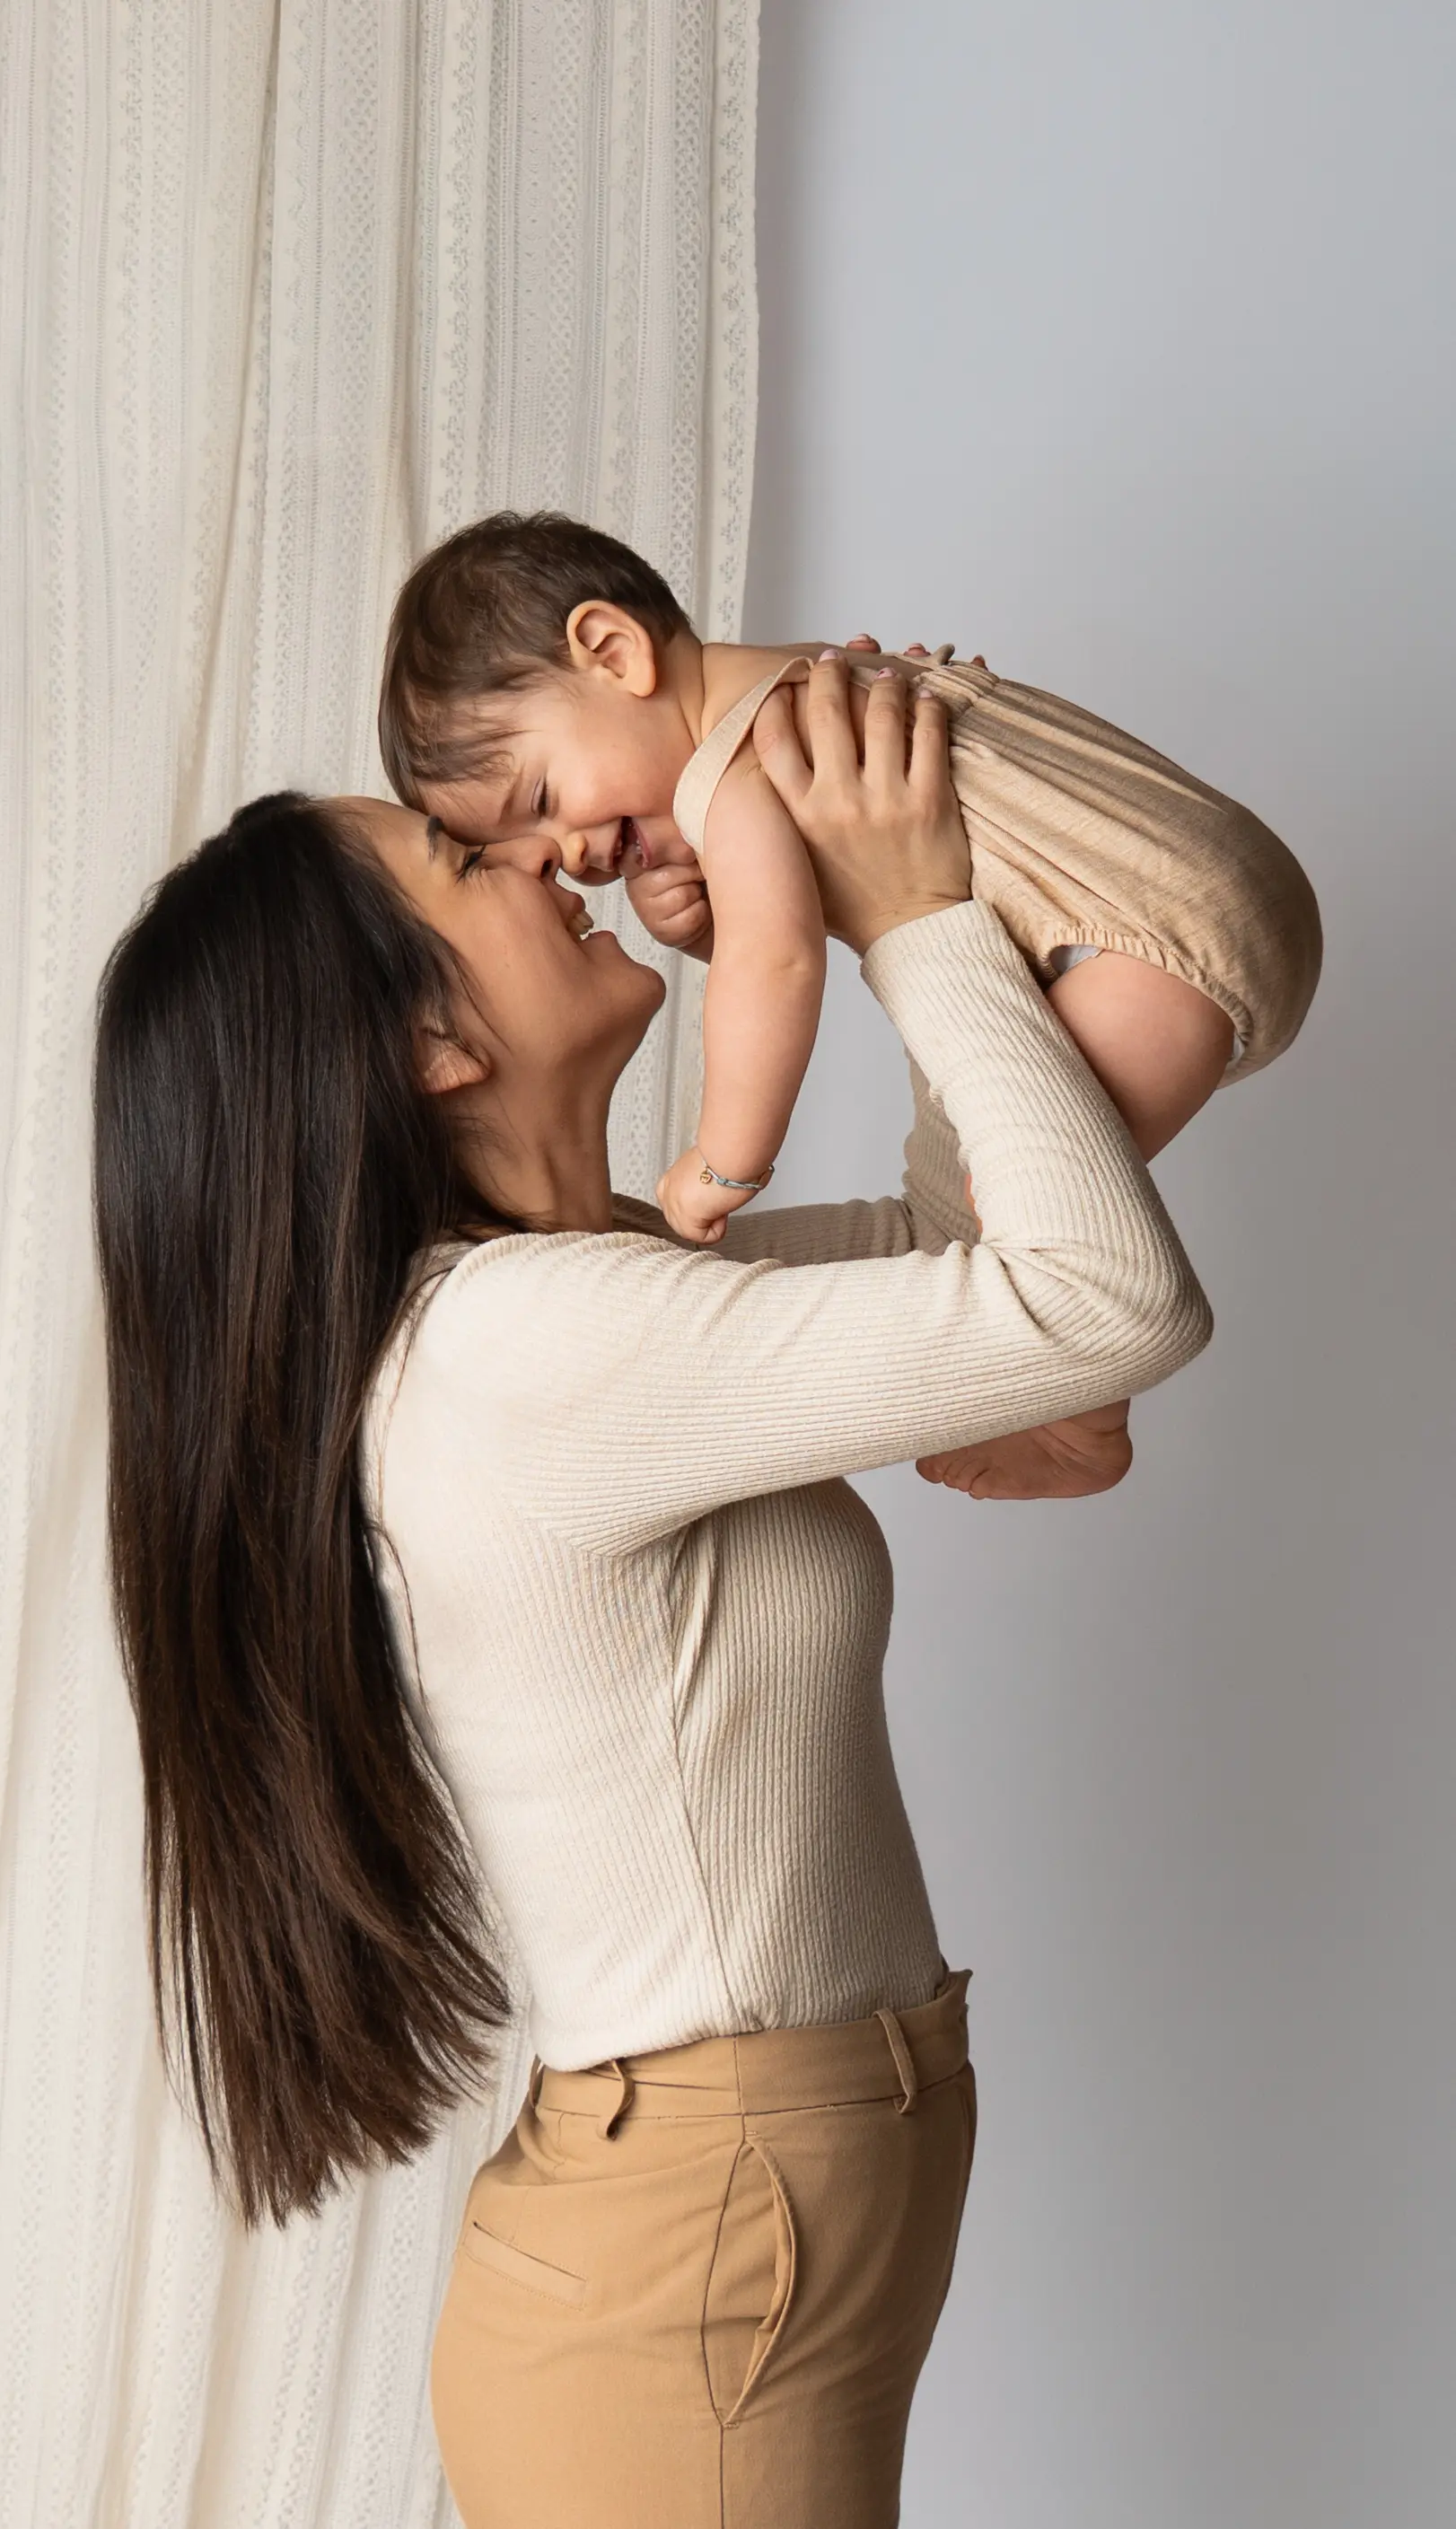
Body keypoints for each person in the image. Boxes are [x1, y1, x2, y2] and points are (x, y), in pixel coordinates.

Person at [92, 660, 1212, 2528]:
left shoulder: (591, 1295)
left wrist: (883, 877)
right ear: (428, 1047)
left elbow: (1000, 1263)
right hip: (691, 2261)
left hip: (735, 2222)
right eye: (472, 864)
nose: (555, 861)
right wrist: (912, 909)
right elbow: (1106, 1298)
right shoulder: (524, 1349)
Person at [377, 509, 1320, 1499]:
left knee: (1014, 1214)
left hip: (1142, 951)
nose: (570, 853)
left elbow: (778, 964)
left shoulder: (728, 774)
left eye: (540, 800)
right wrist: (712, 920)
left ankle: (1072, 1420)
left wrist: (725, 1159)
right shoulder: (809, 678)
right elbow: (819, 893)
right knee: (987, 1183)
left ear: (612, 651)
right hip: (1199, 881)